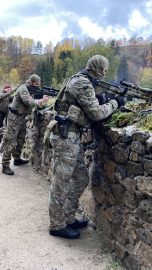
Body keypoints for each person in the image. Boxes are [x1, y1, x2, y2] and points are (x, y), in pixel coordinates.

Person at [48, 55, 125, 239]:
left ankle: (68, 216)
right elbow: (97, 113)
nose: (105, 73)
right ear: (98, 68)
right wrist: (116, 102)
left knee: (81, 178)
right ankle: (57, 225)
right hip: (66, 136)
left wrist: (103, 98)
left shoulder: (82, 80)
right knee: (62, 181)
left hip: (72, 136)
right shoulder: (82, 82)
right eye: (104, 70)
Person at [2, 74, 49, 175]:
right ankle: (5, 165)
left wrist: (41, 101)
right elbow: (28, 102)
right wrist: (42, 100)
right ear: (30, 82)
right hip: (14, 117)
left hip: (23, 117)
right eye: (36, 84)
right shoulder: (23, 88)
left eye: (38, 84)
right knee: (10, 140)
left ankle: (17, 158)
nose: (37, 86)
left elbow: (33, 104)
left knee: (21, 139)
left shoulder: (31, 90)